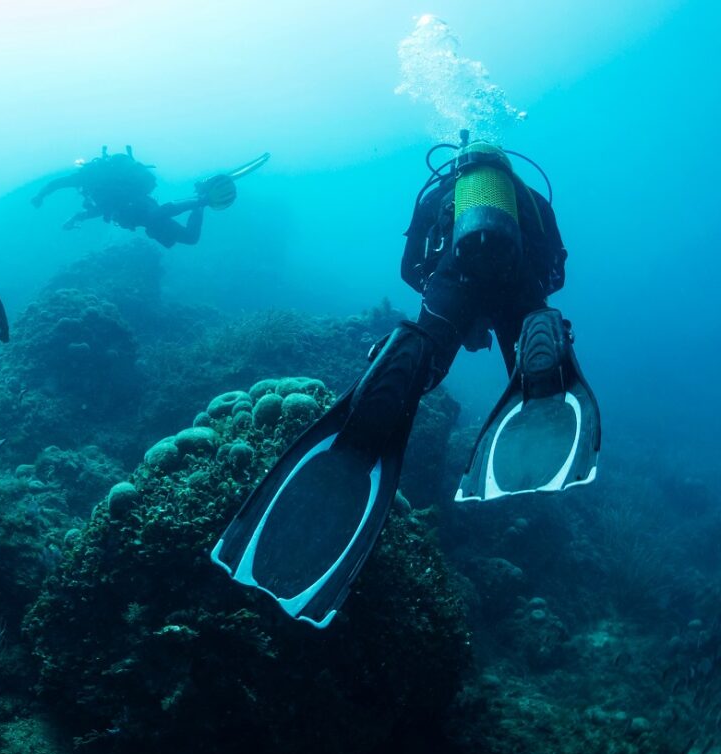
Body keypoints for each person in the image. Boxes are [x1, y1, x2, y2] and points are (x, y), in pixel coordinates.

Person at [211, 133, 600, 628]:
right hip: (519, 282)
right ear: (506, 166)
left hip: (451, 281)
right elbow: (555, 267)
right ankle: (536, 338)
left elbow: (408, 266)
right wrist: (520, 298)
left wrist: (447, 298)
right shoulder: (531, 199)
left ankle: (409, 352)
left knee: (429, 351)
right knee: (526, 335)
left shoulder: (443, 193)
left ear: (458, 165)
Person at [31, 145, 243, 248]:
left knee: (155, 217)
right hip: (137, 217)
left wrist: (40, 196)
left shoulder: (87, 178)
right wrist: (78, 217)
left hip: (141, 208)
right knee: (190, 238)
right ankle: (200, 200)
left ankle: (201, 199)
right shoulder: (96, 188)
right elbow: (103, 209)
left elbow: (55, 183)